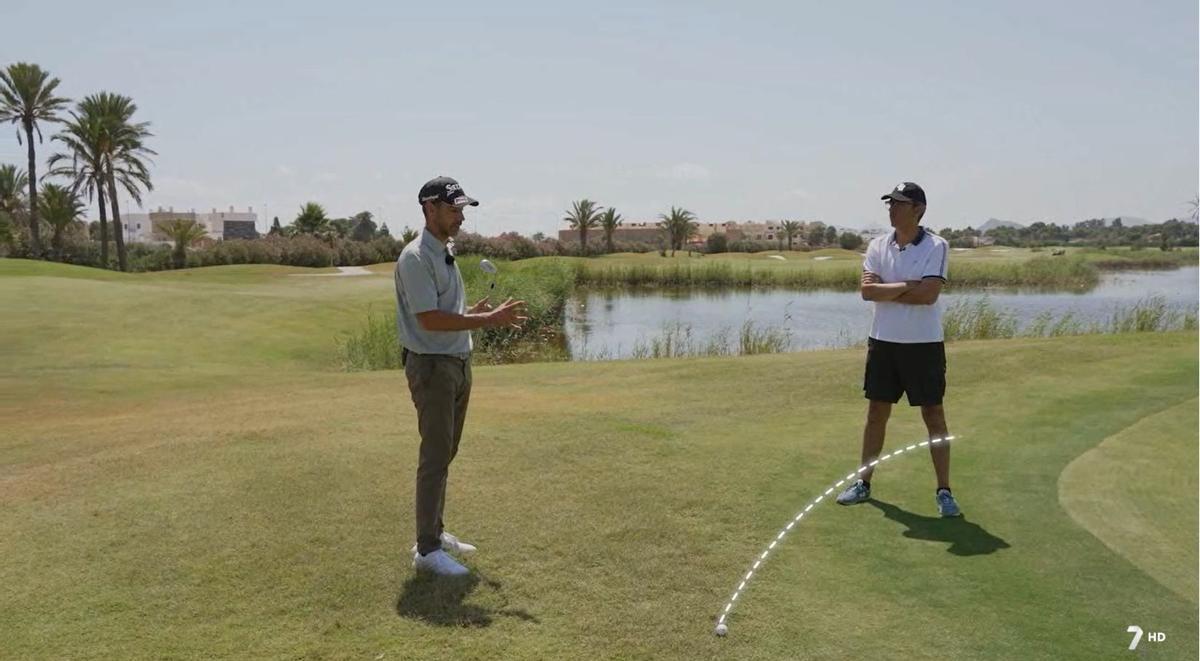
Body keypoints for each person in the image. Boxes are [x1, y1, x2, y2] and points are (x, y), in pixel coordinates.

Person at [394, 176, 528, 576]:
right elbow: (429, 319)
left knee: (446, 452)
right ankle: (427, 550)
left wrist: (473, 310)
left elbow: (446, 308)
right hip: (433, 367)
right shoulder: (415, 257)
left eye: (462, 211)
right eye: (453, 210)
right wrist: (486, 319)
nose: (460, 218)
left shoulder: (444, 251)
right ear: (429, 209)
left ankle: (434, 531)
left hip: (456, 363)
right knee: (434, 457)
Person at [836, 182, 961, 517]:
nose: (891, 208)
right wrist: (909, 285)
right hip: (884, 343)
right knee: (876, 413)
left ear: (918, 209)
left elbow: (929, 296)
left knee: (933, 416)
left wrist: (888, 290)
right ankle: (863, 483)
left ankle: (944, 491)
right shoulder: (878, 245)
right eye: (889, 203)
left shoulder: (937, 245)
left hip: (923, 345)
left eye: (899, 203)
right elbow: (867, 293)